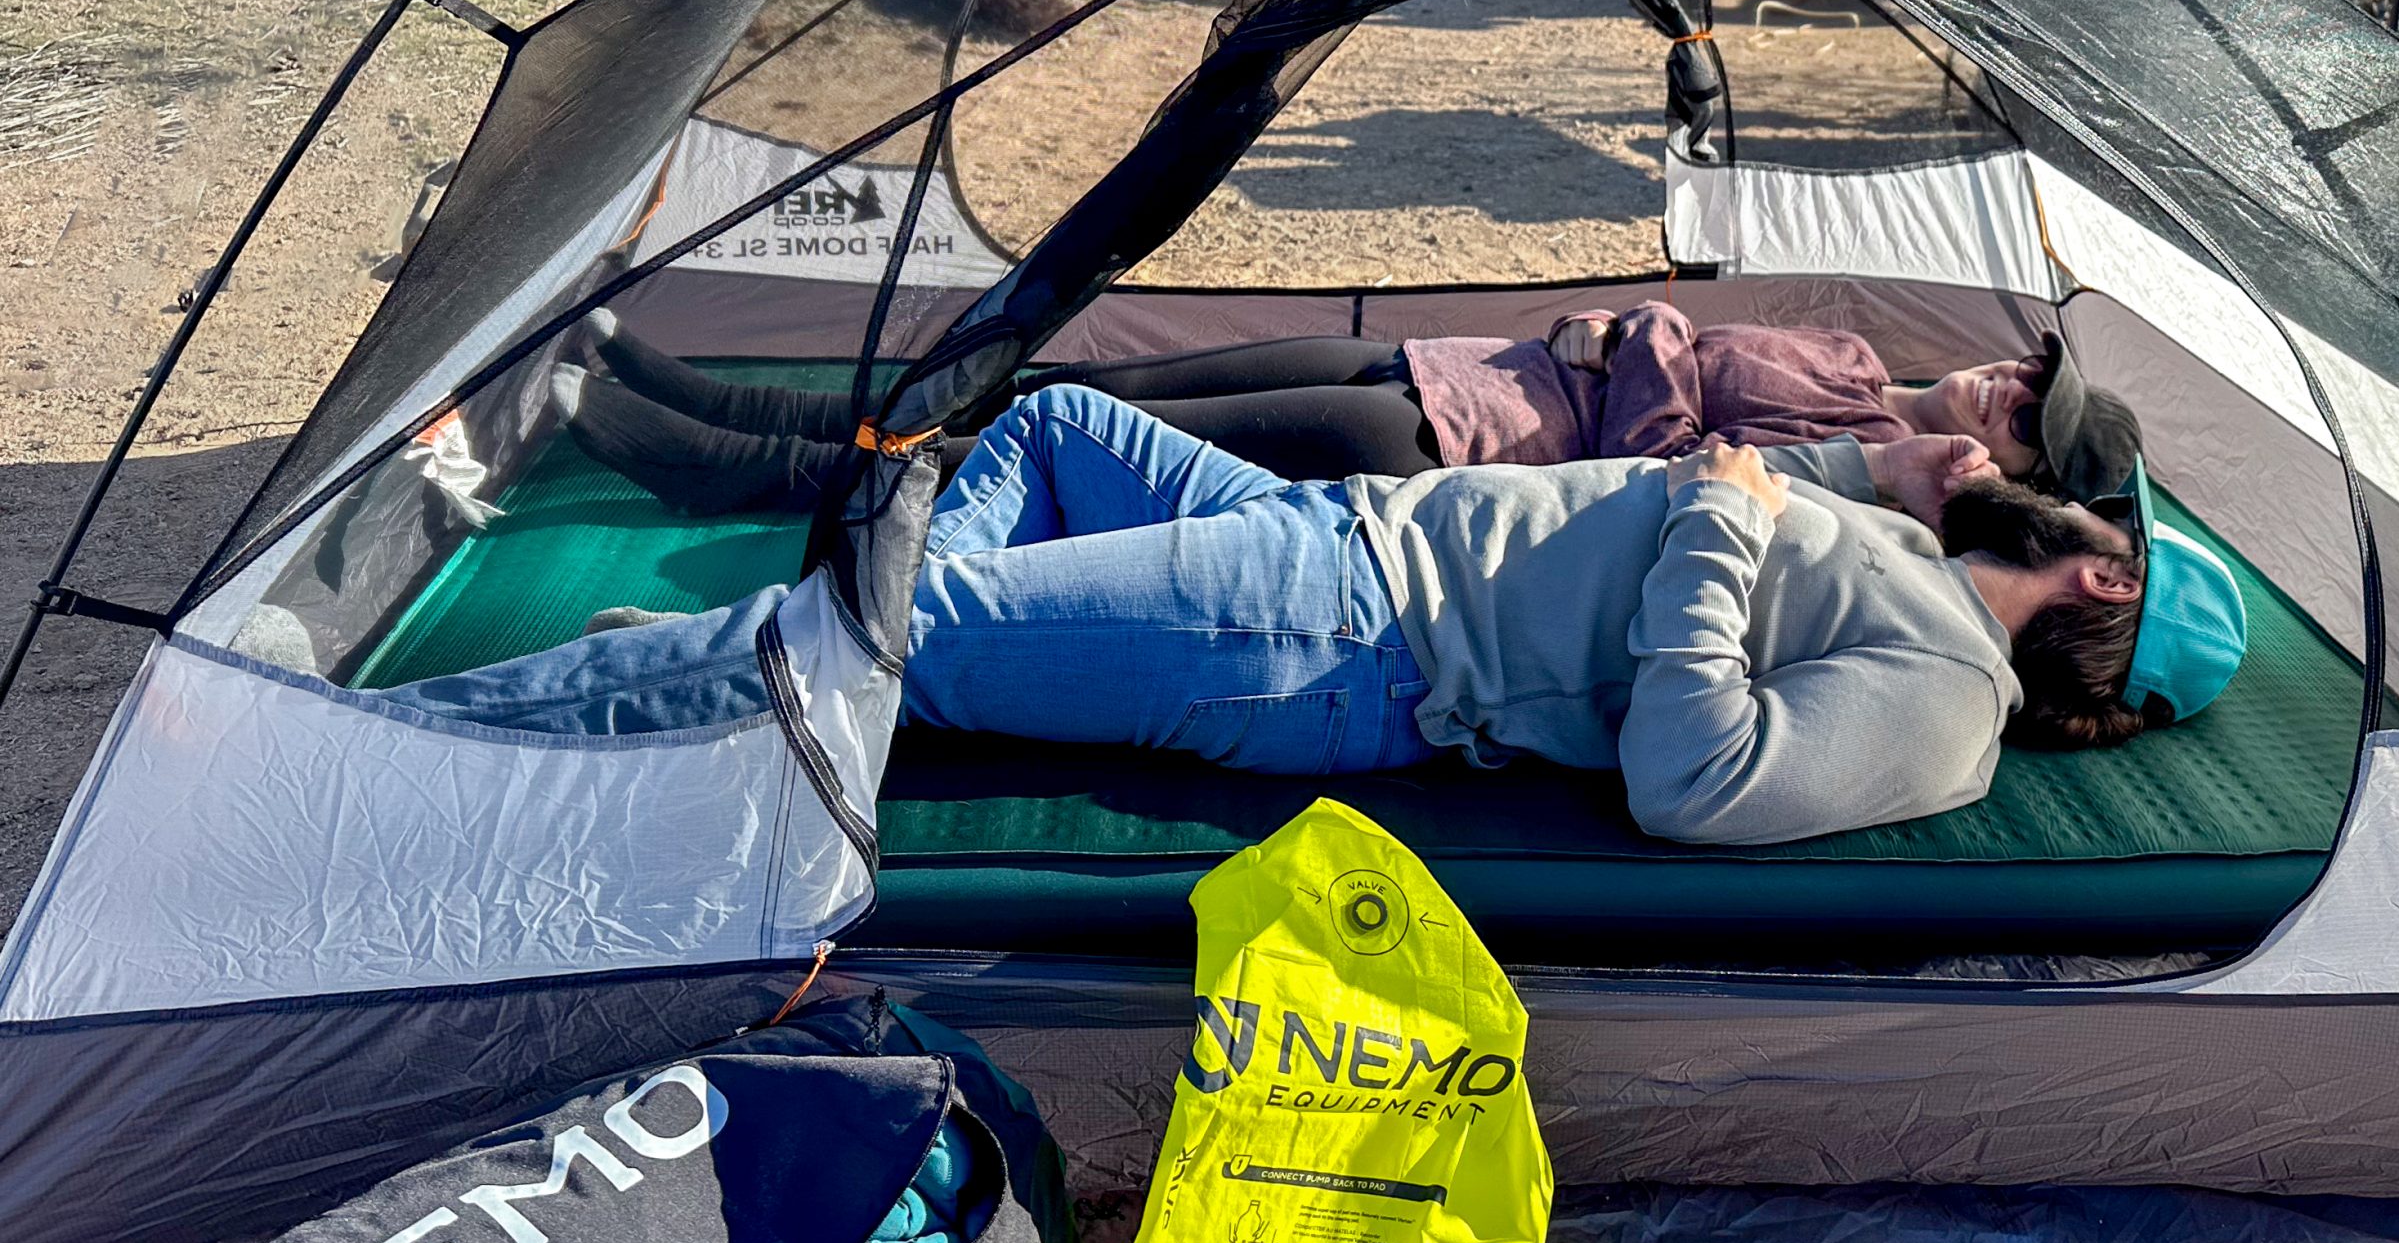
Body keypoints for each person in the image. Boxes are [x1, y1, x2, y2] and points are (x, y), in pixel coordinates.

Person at [899, 384, 2246, 845]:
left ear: (2106, 575)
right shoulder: (1924, 553)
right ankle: (931, 618)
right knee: (1058, 425)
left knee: (901, 638)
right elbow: (1750, 500)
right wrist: (1867, 474)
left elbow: (1694, 775)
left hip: (1357, 636)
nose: (2052, 493)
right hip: (1358, 524)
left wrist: (1724, 522)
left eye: (2094, 516)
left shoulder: (1953, 709)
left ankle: (741, 673)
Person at [550, 304, 2140, 506]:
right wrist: (1629, 335)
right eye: (2032, 372)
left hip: (1435, 447)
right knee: (1061, 380)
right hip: (1444, 370)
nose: (2009, 382)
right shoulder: (1858, 357)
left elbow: (1671, 465)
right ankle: (693, 385)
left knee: (1011, 462)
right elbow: (1651, 354)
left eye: (2026, 413)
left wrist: (1639, 333)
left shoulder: (1869, 453)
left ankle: (673, 457)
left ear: (2004, 459)